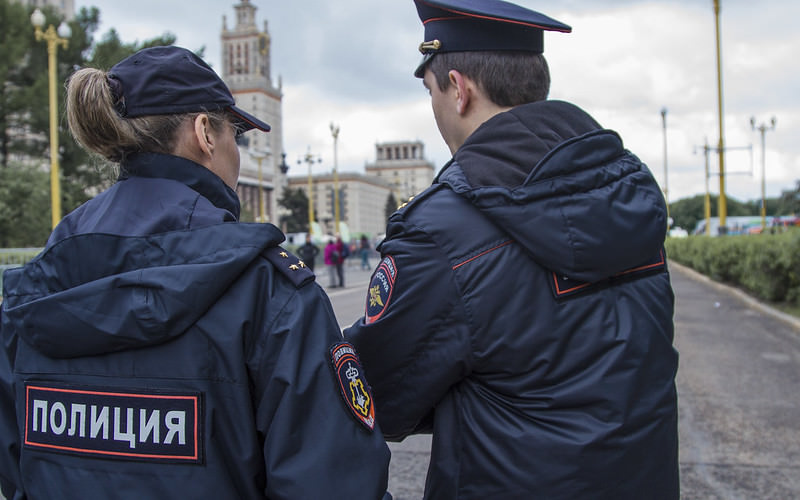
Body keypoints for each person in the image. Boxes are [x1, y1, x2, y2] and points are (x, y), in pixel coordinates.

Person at [0, 46, 391, 500]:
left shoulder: (42, 279)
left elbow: (16, 465)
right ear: (205, 133)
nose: (237, 156)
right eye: (236, 136)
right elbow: (334, 482)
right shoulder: (266, 287)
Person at [343, 1, 679, 499]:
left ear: (458, 90)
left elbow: (378, 393)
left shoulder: (441, 231)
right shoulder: (624, 190)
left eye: (431, 91)